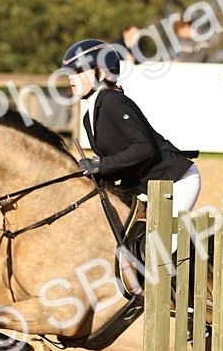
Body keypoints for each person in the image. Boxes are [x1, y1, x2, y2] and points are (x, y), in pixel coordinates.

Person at [61, 39, 201, 218]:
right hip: (142, 186)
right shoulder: (89, 117)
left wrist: (100, 165)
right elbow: (117, 162)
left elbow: (145, 147)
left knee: (165, 242)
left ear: (102, 74)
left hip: (176, 180)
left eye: (79, 71)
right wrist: (92, 174)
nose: (71, 77)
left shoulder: (113, 101)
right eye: (70, 73)